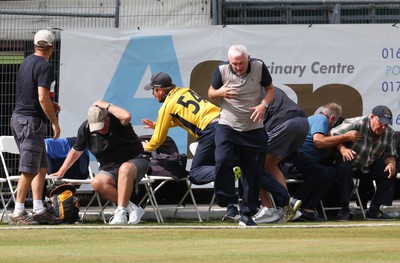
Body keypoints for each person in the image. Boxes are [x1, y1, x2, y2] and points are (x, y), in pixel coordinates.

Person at [50, 100, 150, 224]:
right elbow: (76, 150)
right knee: (97, 182)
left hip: (136, 160)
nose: (99, 129)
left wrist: (105, 105)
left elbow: (127, 116)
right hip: (109, 167)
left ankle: (121, 213)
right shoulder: (86, 128)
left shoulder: (117, 120)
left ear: (107, 117)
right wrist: (61, 171)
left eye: (101, 124)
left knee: (125, 168)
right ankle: (133, 208)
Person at [208, 44, 273, 226]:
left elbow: (270, 89)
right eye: (234, 64)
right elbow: (211, 92)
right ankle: (229, 204)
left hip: (254, 128)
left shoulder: (259, 67)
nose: (238, 67)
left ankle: (247, 213)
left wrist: (263, 106)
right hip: (227, 125)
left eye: (241, 63)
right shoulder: (221, 70)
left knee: (253, 172)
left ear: (249, 58)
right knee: (222, 161)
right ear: (229, 61)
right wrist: (220, 92)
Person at [10, 29, 61, 225]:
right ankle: (17, 212)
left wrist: (50, 106)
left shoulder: (26, 62)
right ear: (52, 47)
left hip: (21, 118)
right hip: (31, 122)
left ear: (35, 45)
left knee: (41, 167)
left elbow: (35, 95)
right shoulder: (45, 66)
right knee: (30, 168)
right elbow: (42, 97)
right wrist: (55, 122)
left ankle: (38, 209)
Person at [284, 103, 360, 221]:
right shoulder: (321, 119)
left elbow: (323, 155)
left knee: (330, 171)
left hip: (304, 162)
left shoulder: (318, 121)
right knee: (321, 173)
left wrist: (336, 144)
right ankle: (292, 205)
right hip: (295, 161)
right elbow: (318, 142)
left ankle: (308, 210)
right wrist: (345, 137)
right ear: (332, 118)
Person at [141, 72, 220, 185]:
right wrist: (158, 124)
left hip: (210, 130)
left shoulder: (167, 106)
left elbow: (158, 139)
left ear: (159, 90)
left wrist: (147, 147)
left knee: (196, 174)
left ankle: (228, 171)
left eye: (153, 90)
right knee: (225, 164)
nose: (153, 94)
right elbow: (183, 118)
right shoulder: (186, 90)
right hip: (224, 122)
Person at [331, 105, 397, 220]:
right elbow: (332, 133)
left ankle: (374, 209)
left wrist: (391, 163)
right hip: (350, 161)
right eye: (381, 122)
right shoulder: (357, 124)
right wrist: (342, 149)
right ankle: (344, 209)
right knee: (344, 167)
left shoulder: (389, 133)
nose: (383, 126)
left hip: (368, 164)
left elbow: (389, 154)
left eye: (386, 124)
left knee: (389, 171)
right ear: (372, 117)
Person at [252, 87, 308, 223]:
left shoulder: (249, 91)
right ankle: (289, 209)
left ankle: (268, 209)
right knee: (269, 166)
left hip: (284, 124)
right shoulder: (270, 88)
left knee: (253, 165)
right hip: (302, 123)